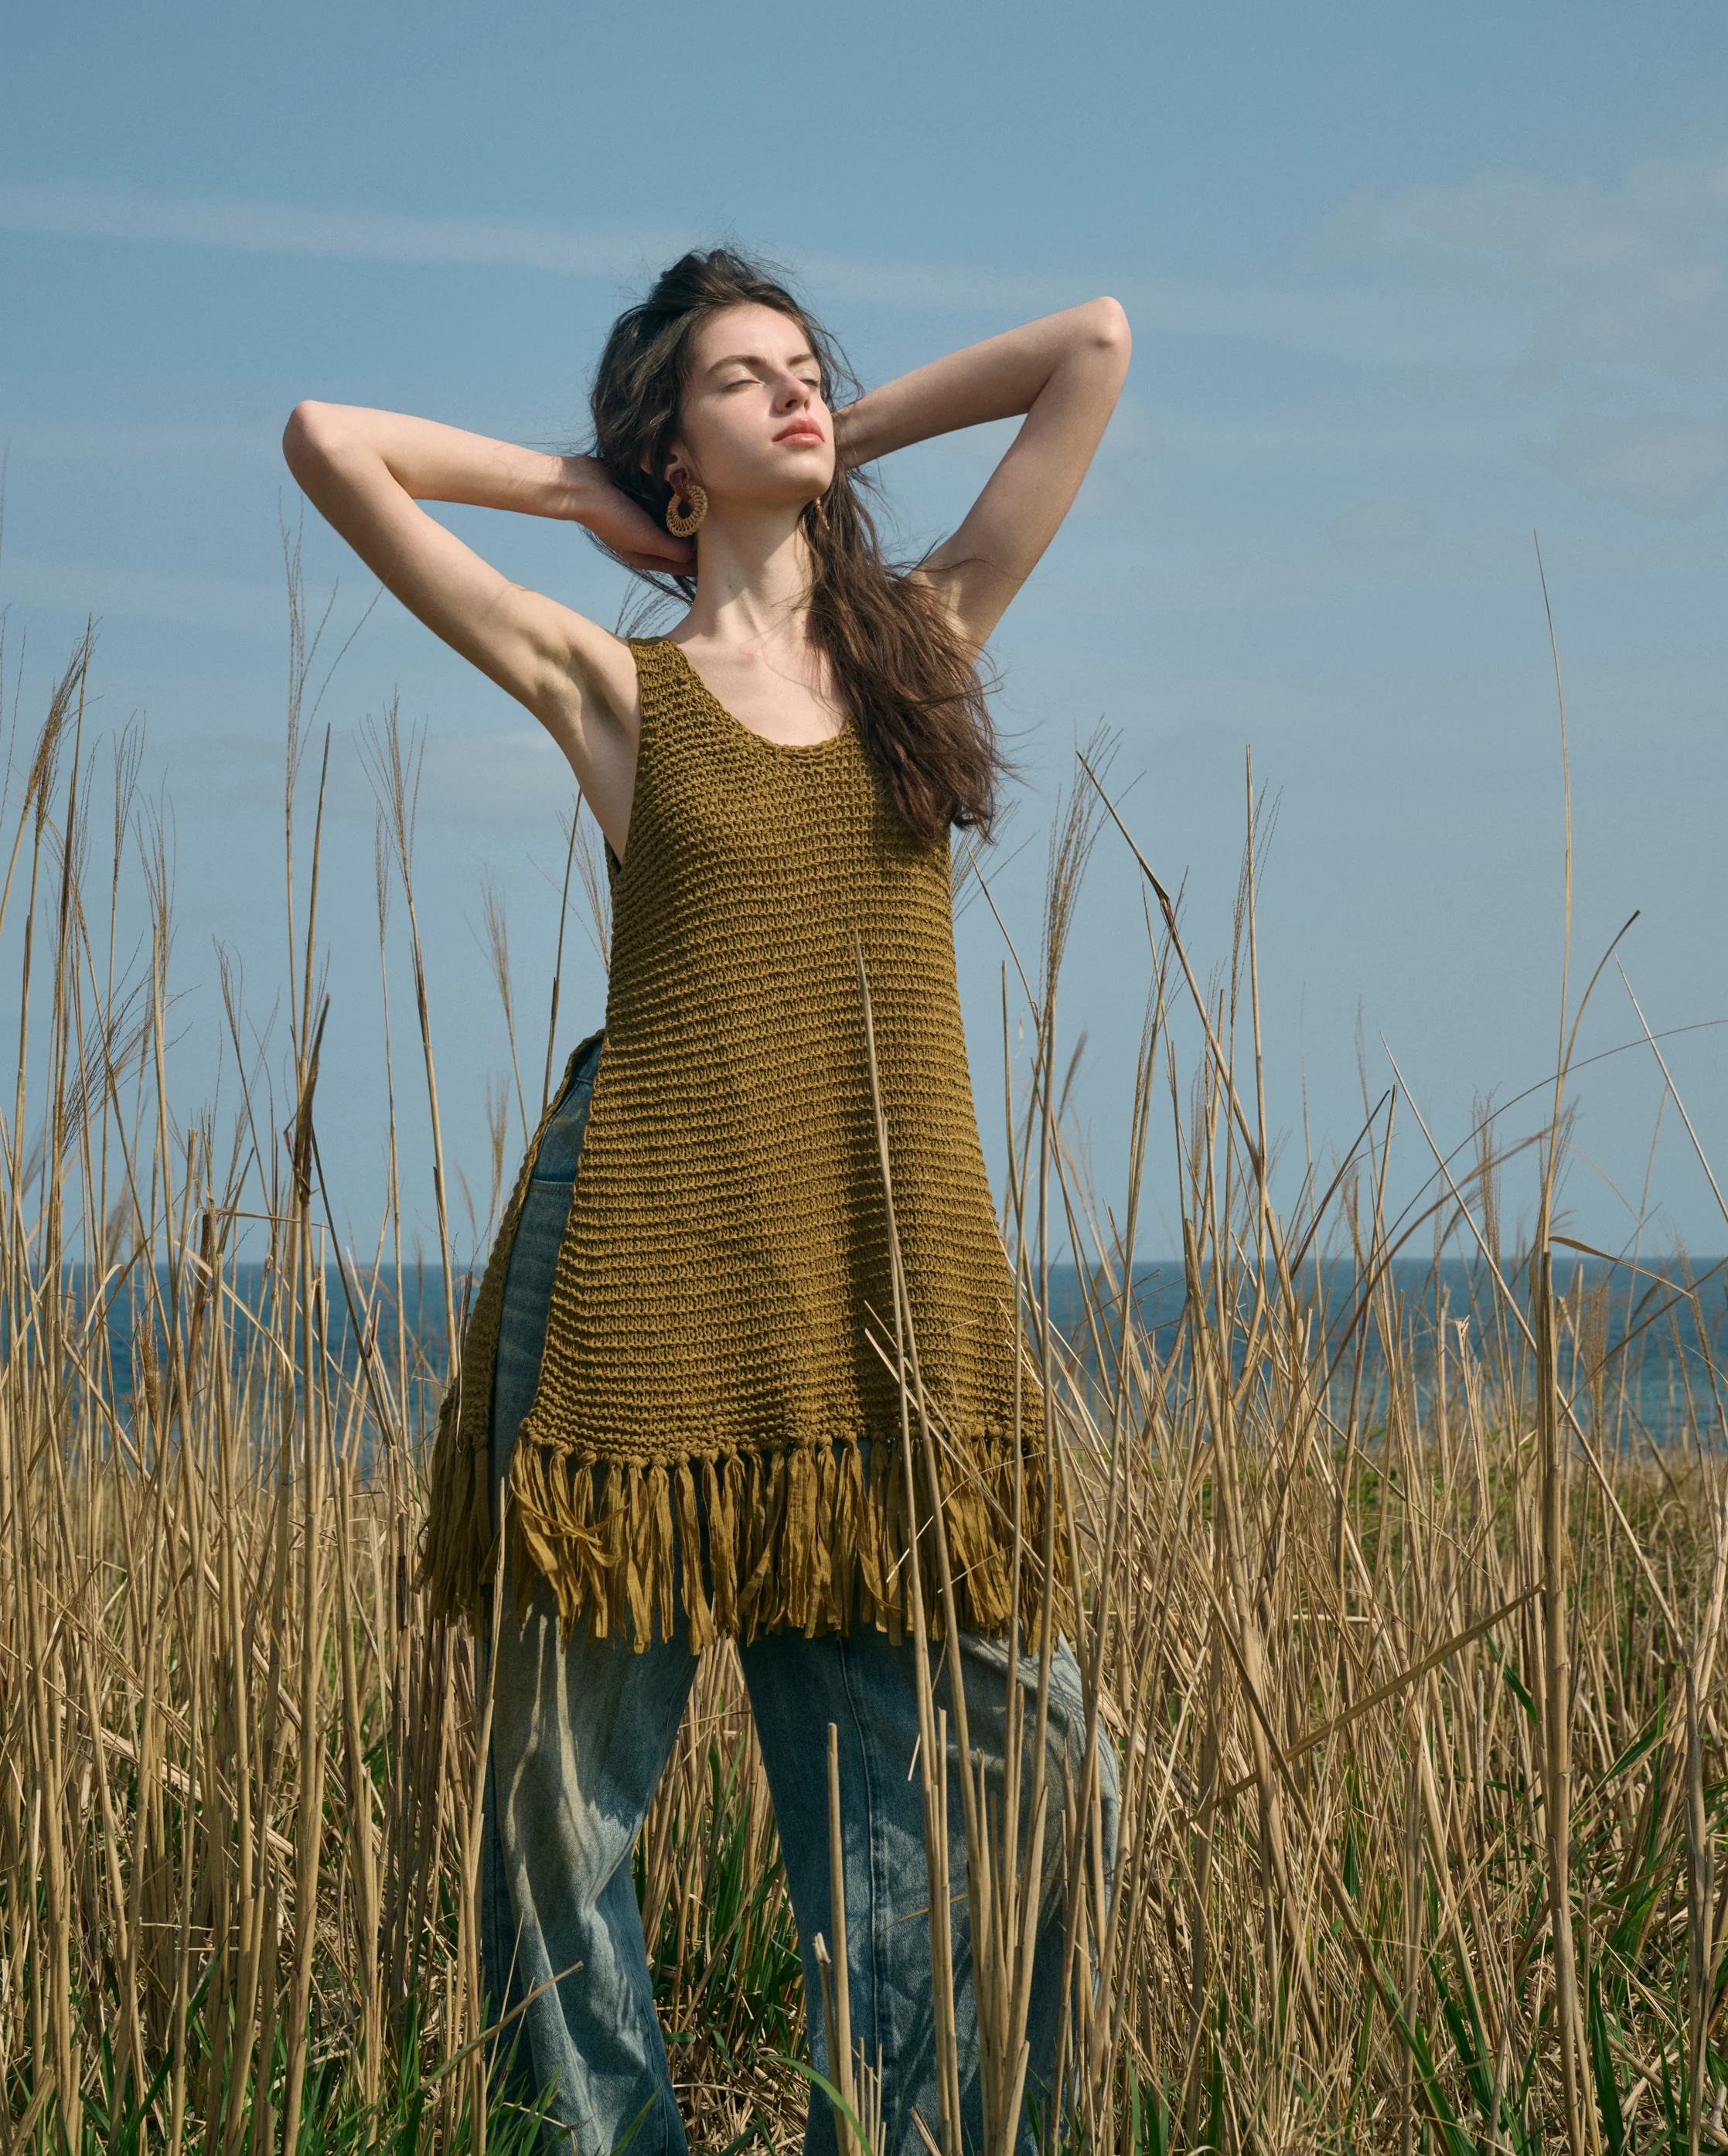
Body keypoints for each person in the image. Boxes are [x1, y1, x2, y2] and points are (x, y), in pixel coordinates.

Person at [283, 248, 1131, 2156]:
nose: (799, 387)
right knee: (554, 1812)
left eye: (809, 365)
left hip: (880, 1302)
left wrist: (819, 445)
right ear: (673, 447)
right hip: (639, 1287)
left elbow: (1090, 347)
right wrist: (597, 497)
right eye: (745, 377)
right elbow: (331, 442)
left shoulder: (924, 646)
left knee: (1006, 1767)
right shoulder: (619, 689)